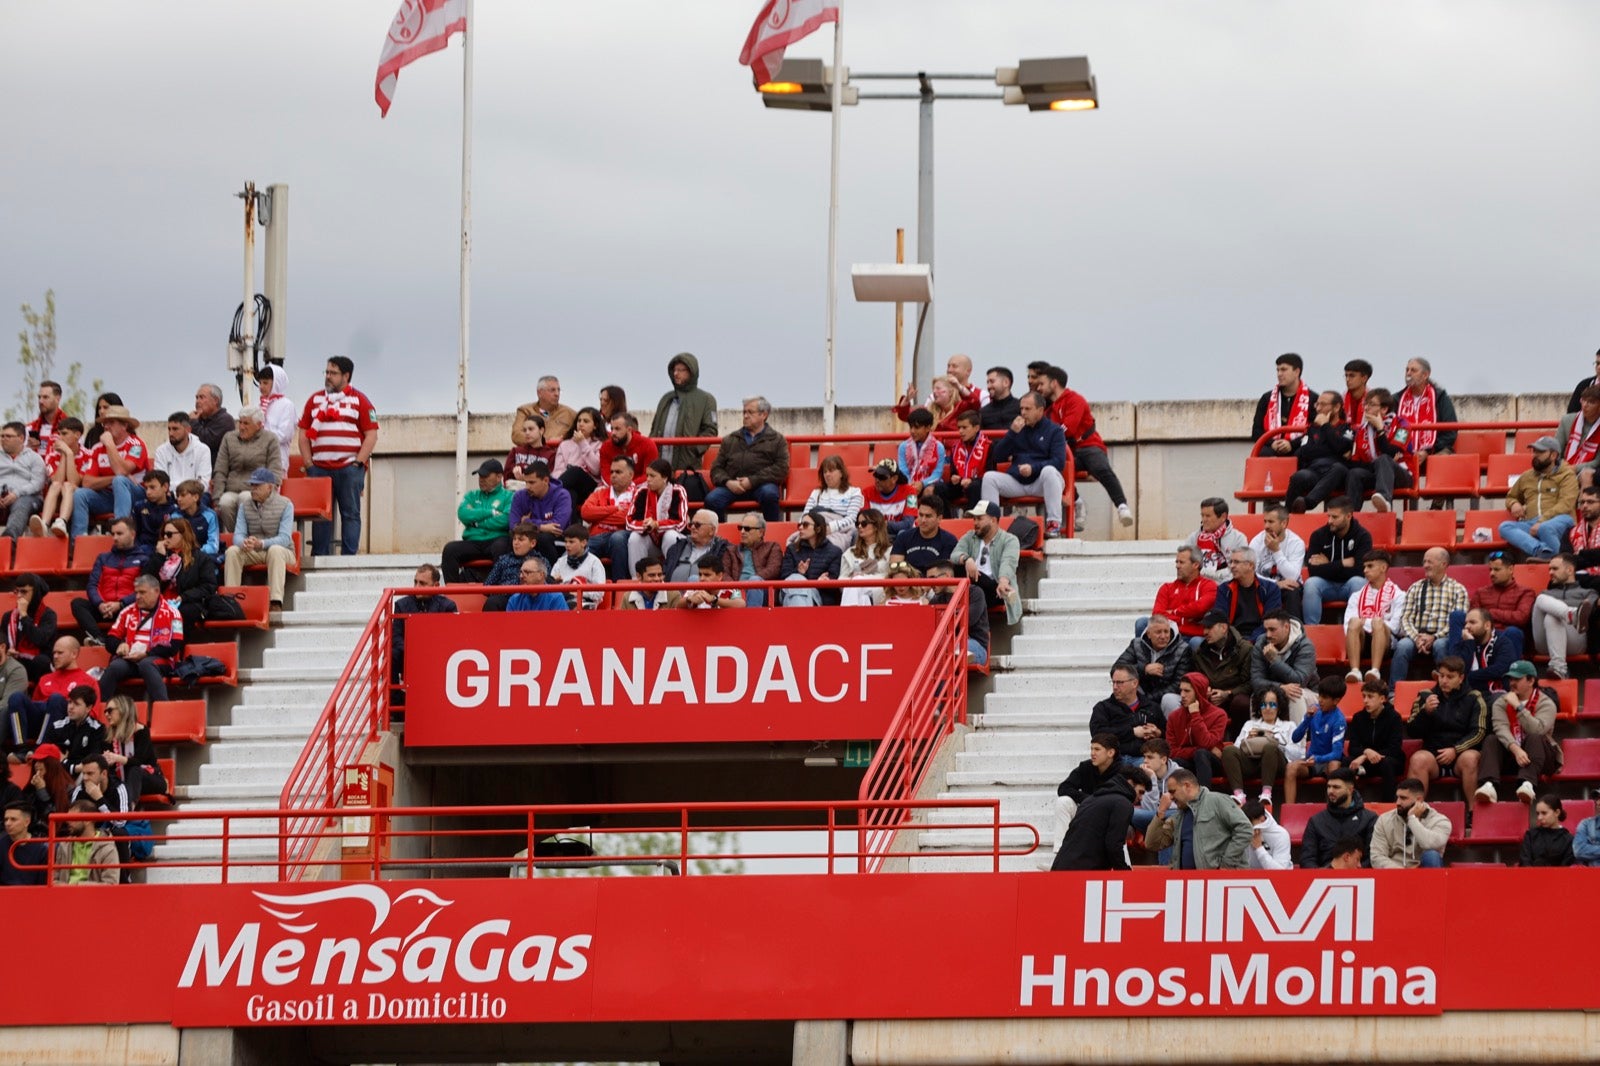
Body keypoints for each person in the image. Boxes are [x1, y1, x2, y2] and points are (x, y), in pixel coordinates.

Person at [298, 355, 379, 556]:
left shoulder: (360, 400)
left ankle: (349, 558)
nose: (328, 376)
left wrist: (357, 463)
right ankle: (320, 556)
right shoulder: (315, 400)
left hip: (349, 468)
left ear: (346, 376)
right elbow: (303, 434)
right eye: (326, 372)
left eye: (333, 373)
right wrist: (309, 464)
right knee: (320, 516)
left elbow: (371, 435)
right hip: (319, 468)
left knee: (350, 514)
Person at [1039, 366, 1134, 529]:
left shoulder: (1075, 399)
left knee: (1100, 467)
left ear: (1053, 383)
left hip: (1088, 446)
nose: (1039, 388)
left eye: (1042, 384)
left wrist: (1049, 438)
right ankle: (1077, 501)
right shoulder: (1049, 410)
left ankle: (1122, 506)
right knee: (1052, 471)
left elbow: (1068, 428)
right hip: (1069, 452)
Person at [981, 391, 1068, 538]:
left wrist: (1033, 468)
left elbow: (1059, 462)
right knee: (989, 477)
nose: (1023, 413)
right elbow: (997, 456)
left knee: (1049, 471)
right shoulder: (1017, 429)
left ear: (1040, 410)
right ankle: (991, 527)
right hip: (1018, 482)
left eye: (1028, 409)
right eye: (1021, 409)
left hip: (1042, 482)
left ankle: (1053, 525)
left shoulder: (1055, 431)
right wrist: (1012, 433)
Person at [1476, 659, 1561, 805]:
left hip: (1540, 757)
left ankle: (1527, 785)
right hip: (1513, 755)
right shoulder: (1501, 702)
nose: (1512, 683)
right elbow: (1500, 727)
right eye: (1511, 679)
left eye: (1517, 679)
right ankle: (1489, 786)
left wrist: (1518, 707)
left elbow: (1537, 729)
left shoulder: (1546, 703)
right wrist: (1516, 749)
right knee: (1491, 739)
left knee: (1535, 737)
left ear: (1531, 680)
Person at [1405, 656, 1488, 802]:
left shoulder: (1474, 698)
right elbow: (1411, 731)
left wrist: (1455, 750)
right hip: (1433, 754)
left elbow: (1479, 732)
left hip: (1461, 754)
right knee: (1418, 759)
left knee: (1471, 759)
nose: (1444, 681)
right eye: (1441, 676)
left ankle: (1473, 811)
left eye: (1450, 677)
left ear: (1461, 678)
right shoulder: (1425, 696)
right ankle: (1413, 810)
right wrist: (1425, 712)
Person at [1144, 768, 1254, 870]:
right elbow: (1152, 844)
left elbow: (1245, 829)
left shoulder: (1217, 800)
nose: (1170, 797)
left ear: (1187, 786)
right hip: (1187, 882)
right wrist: (1160, 812)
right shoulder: (1178, 816)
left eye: (1172, 791)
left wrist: (1226, 864)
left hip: (1219, 880)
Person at [1389, 546, 1469, 684]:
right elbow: (1405, 619)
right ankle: (1393, 690)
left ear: (1443, 564)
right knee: (1402, 646)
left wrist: (1435, 637)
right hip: (1417, 636)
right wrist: (1416, 638)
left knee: (1440, 645)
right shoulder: (1416, 587)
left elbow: (1457, 623)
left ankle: (1445, 687)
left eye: (1430, 562)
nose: (1425, 565)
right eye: (1424, 562)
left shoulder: (1458, 589)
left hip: (1442, 636)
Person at [5, 638, 96, 759]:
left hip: (64, 726)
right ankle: (20, 748)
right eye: (54, 653)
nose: (55, 656)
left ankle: (41, 748)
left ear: (74, 654)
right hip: (40, 723)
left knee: (56, 699)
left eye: (60, 653)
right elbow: (34, 707)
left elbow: (91, 714)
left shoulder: (87, 681)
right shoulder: (45, 679)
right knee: (16, 697)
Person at [100, 574, 183, 703]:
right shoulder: (127, 612)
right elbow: (110, 639)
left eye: (142, 592)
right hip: (131, 660)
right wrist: (119, 645)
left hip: (160, 660)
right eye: (136, 593)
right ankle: (99, 709)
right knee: (115, 667)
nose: (137, 596)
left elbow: (174, 646)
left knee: (146, 664)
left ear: (156, 591)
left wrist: (147, 654)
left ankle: (164, 708)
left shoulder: (173, 613)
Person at [70, 404, 150, 537]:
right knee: (80, 494)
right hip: (109, 496)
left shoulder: (136, 445)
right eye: (105, 423)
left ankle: (120, 531)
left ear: (124, 425)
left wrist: (110, 444)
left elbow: (121, 470)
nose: (106, 427)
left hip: (136, 496)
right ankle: (78, 540)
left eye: (111, 423)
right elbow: (87, 482)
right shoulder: (97, 448)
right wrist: (112, 479)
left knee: (120, 481)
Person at [223, 467, 297, 609]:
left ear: (270, 487)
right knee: (232, 551)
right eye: (252, 485)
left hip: (284, 552)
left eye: (257, 485)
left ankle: (275, 602)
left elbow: (285, 538)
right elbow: (238, 535)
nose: (253, 489)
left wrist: (261, 543)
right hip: (255, 551)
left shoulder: (286, 504)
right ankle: (230, 602)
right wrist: (244, 542)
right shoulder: (245, 506)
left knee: (275, 550)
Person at [1050, 764, 1147, 872]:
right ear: (1130, 783)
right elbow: (1114, 844)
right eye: (1140, 792)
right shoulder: (1123, 804)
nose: (1141, 798)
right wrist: (1124, 872)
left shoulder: (1091, 799)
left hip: (1061, 867)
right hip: (1083, 871)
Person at [705, 397, 788, 521]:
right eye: (744, 412)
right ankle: (719, 532)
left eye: (750, 412)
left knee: (769, 495)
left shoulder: (777, 440)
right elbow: (716, 469)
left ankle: (773, 531)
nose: (745, 416)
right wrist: (728, 482)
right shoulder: (730, 440)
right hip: (733, 486)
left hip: (762, 485)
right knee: (712, 500)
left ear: (764, 415)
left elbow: (781, 468)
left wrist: (751, 481)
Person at [71, 518, 145, 653]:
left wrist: (120, 604)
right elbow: (92, 585)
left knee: (141, 607)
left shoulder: (143, 559)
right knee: (77, 604)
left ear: (132, 534)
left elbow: (143, 590)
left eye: (119, 533)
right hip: (104, 608)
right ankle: (99, 638)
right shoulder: (103, 558)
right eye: (113, 534)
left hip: (127, 608)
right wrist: (100, 604)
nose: (115, 538)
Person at [1498, 436, 1578, 559]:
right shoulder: (1526, 476)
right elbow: (1511, 497)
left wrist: (1542, 521)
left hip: (1561, 519)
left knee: (1545, 528)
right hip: (1532, 522)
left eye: (1540, 452)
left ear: (1553, 455)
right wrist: (1514, 504)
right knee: (1505, 527)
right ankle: (1542, 551)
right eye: (1534, 451)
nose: (1535, 455)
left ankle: (1561, 559)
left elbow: (1566, 504)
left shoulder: (1567, 475)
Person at [440, 459, 514, 584]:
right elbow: (463, 514)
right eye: (480, 476)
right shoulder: (472, 495)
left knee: (502, 546)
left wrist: (476, 523)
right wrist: (490, 512)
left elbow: (505, 520)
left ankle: (498, 590)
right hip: (473, 542)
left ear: (499, 477)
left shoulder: (509, 496)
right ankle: (453, 591)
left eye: (485, 476)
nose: (481, 479)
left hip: (496, 540)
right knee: (450, 550)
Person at [1302, 497, 1372, 624]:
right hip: (1326, 584)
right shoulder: (1318, 535)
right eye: (1328, 516)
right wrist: (1342, 563)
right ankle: (1311, 630)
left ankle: (1355, 628)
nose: (1330, 521)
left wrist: (1327, 565)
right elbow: (1313, 570)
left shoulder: (1363, 536)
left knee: (1358, 582)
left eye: (1335, 517)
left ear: (1348, 516)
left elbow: (1360, 571)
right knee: (1311, 584)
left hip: (1349, 584)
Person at [1222, 686, 1297, 806]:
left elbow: (1296, 754)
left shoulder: (1289, 726)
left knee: (1270, 747)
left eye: (1272, 704)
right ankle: (1239, 795)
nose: (1267, 708)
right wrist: (1247, 739)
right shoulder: (1249, 724)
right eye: (1263, 705)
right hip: (1252, 763)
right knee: (1228, 750)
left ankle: (1266, 794)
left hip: (1276, 764)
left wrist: (1274, 739)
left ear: (1279, 707)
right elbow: (1236, 748)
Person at [211, 408, 282, 534]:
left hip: (256, 490)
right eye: (240, 422)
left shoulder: (270, 439)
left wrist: (270, 492)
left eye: (246, 423)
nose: (242, 427)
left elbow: (275, 470)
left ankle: (252, 535)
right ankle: (238, 535)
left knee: (245, 498)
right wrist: (217, 498)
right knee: (225, 503)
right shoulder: (229, 438)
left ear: (258, 425)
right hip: (232, 489)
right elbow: (220, 470)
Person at [1528, 552, 1598, 679]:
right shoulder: (1546, 593)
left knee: (1551, 616)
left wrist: (1556, 608)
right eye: (1549, 569)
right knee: (1541, 599)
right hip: (1545, 642)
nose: (1550, 572)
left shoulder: (1588, 593)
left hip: (1575, 641)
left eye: (1555, 569)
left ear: (1570, 570)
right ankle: (1572, 615)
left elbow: (1591, 610)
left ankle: (1559, 667)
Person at [144, 517, 218, 636]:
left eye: (169, 534)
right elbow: (145, 581)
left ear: (183, 535)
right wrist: (158, 557)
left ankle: (174, 644)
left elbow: (208, 586)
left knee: (182, 612)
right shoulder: (161, 555)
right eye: (163, 534)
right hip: (160, 601)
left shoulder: (201, 558)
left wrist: (184, 597)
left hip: (186, 602)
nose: (165, 538)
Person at [391, 564, 457, 697]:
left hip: (438, 656)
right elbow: (396, 637)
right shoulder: (401, 605)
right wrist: (412, 651)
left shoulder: (448, 606)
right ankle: (395, 700)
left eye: (422, 583)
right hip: (409, 654)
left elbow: (452, 640)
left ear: (436, 586)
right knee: (392, 654)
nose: (416, 587)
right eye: (415, 582)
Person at [1284, 391, 1355, 513]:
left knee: (1339, 468)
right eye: (1317, 404)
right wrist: (1333, 449)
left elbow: (1342, 447)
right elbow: (1305, 451)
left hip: (1336, 473)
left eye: (1323, 404)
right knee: (1299, 476)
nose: (1318, 408)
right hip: (1315, 470)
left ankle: (1307, 503)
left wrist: (1325, 426)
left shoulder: (1347, 428)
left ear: (1337, 407)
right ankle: (1287, 515)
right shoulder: (1313, 429)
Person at [951, 501, 1021, 624]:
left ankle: (958, 623)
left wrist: (1003, 581)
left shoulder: (1010, 540)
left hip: (996, 589)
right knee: (952, 568)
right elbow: (955, 555)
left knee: (964, 577)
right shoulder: (970, 536)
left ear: (993, 520)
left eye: (979, 519)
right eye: (974, 519)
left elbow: (1008, 562)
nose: (975, 523)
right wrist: (967, 559)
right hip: (973, 586)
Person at [1344, 388, 1413, 513]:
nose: (1366, 408)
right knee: (1355, 473)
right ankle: (1350, 516)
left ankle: (1384, 499)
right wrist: (1377, 464)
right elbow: (1355, 463)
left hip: (1401, 474)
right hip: (1376, 473)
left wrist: (1380, 430)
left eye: (1371, 404)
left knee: (1384, 459)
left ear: (1384, 409)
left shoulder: (1402, 425)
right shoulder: (1361, 430)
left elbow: (1392, 452)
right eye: (1365, 404)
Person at [649, 353, 718, 476]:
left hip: (687, 467)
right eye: (675, 370)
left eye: (681, 370)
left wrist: (694, 450)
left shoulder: (706, 399)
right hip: (660, 466)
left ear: (692, 372)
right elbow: (654, 429)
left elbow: (710, 430)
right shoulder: (666, 398)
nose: (676, 373)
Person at [1285, 676, 1349, 805]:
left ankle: (1332, 809)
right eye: (1320, 696)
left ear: (1336, 701)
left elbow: (1336, 753)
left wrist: (1318, 759)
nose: (1320, 700)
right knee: (1291, 767)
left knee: (1334, 765)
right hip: (1311, 762)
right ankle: (1289, 809)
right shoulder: (1314, 710)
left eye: (1324, 698)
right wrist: (1307, 719)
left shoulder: (1339, 720)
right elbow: (1295, 738)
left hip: (1327, 762)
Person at [1250, 609, 1319, 721]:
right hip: (1275, 690)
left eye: (1272, 630)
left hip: (1307, 692)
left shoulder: (1305, 646)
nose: (1268, 635)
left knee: (1295, 695)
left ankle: (1298, 733)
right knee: (1258, 695)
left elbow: (1299, 681)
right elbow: (1256, 681)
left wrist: (1275, 661)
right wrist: (1280, 688)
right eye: (1266, 630)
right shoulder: (1261, 644)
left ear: (1286, 627)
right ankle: (1258, 732)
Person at [1300, 768, 1377, 868]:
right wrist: (1323, 873)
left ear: (1350, 789)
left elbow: (1373, 857)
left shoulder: (1369, 819)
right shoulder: (1316, 821)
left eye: (1336, 787)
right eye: (1328, 787)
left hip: (1359, 875)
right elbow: (1307, 859)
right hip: (1323, 875)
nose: (1330, 791)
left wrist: (1356, 871)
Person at [625, 459, 691, 576]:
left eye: (652, 476)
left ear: (665, 477)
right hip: (651, 540)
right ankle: (637, 579)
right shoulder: (642, 491)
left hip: (672, 539)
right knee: (635, 537)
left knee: (670, 536)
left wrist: (657, 524)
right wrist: (645, 525)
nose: (648, 479)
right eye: (647, 475)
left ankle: (671, 577)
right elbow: (629, 521)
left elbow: (681, 522)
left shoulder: (678, 491)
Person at [1114, 614, 1192, 712]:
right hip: (1141, 694)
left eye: (1166, 631)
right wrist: (1144, 669)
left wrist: (1148, 699)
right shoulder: (1136, 644)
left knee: (1169, 699)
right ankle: (1128, 720)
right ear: (1148, 634)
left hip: (1164, 697)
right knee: (1127, 685)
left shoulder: (1182, 649)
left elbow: (1178, 684)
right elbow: (1117, 669)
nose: (1163, 636)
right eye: (1158, 632)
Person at [1368, 778, 1451, 869]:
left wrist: (1412, 819)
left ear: (1419, 800)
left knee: (1432, 856)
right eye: (1397, 797)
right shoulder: (1384, 820)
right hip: (1394, 871)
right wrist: (1403, 872)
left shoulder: (1440, 821)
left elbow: (1429, 844)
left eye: (1403, 798)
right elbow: (1377, 856)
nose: (1398, 802)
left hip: (1425, 871)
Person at [1052, 732, 1124, 836]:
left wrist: (1094, 802)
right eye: (1091, 749)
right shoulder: (1086, 767)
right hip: (1086, 811)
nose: (1092, 753)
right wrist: (1088, 799)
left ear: (1111, 753)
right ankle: (1060, 846)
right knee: (1063, 801)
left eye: (1097, 749)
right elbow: (1064, 788)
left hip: (1109, 817)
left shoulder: (1122, 772)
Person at [1446, 606, 1524, 701]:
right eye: (1466, 623)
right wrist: (1469, 643)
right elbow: (1457, 668)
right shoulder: (1465, 642)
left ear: (1487, 625)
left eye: (1472, 622)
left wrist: (1469, 676)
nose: (1467, 627)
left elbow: (1500, 669)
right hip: (1468, 693)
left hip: (1493, 693)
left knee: (1499, 699)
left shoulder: (1503, 642)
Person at [1346, 677, 1407, 799]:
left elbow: (1394, 749)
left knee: (1387, 764)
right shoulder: (1358, 718)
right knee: (1346, 762)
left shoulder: (1394, 717)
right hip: (1367, 762)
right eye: (1364, 696)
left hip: (1388, 760)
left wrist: (1366, 755)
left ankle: (1388, 804)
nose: (1365, 701)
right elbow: (1352, 747)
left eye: (1370, 697)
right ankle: (1351, 802)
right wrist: (1366, 752)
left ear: (1382, 699)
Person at [1090, 666, 1167, 764]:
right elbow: (1098, 734)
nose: (1115, 687)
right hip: (1115, 759)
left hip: (1144, 759)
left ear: (1134, 683)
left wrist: (1158, 733)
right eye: (1113, 682)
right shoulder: (1103, 708)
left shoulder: (1152, 707)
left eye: (1120, 682)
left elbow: (1168, 735)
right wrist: (1132, 732)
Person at [1165, 672, 1228, 790]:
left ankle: (1203, 797)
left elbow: (1206, 743)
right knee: (1174, 762)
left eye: (1187, 691)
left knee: (1201, 754)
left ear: (1198, 692)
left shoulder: (1219, 714)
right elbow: (1171, 751)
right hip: (1188, 762)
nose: (1182, 695)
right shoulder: (1174, 716)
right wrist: (1195, 750)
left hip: (1210, 763)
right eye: (1181, 690)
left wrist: (1195, 715)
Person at [1192, 613, 1254, 732]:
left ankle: (1239, 738)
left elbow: (1250, 683)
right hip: (1211, 698)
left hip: (1233, 698)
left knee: (1241, 703)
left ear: (1224, 628)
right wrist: (1204, 689)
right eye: (1204, 628)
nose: (1205, 632)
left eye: (1209, 627)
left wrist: (1228, 693)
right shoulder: (1200, 652)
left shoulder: (1245, 650)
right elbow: (1197, 677)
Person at [99, 693, 165, 802]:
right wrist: (106, 759)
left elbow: (139, 761)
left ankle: (129, 807)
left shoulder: (141, 731)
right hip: (124, 782)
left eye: (110, 710)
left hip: (150, 778)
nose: (106, 714)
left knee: (134, 771)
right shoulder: (108, 735)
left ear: (123, 710)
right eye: (105, 711)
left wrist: (117, 758)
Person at [581, 456, 638, 581]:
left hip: (622, 536)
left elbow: (628, 518)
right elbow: (585, 513)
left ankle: (620, 585)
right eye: (611, 472)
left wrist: (598, 517)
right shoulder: (600, 492)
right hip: (597, 537)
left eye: (618, 472)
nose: (613, 475)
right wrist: (614, 509)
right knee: (576, 546)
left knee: (617, 538)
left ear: (631, 475)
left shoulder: (638, 494)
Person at [925, 558, 989, 665]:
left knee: (946, 649)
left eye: (933, 578)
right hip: (948, 643)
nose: (930, 583)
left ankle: (956, 656)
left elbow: (967, 620)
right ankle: (955, 657)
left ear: (947, 576)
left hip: (975, 645)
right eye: (927, 580)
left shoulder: (974, 592)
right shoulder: (936, 600)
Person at [1395, 357, 1458, 465]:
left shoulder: (1440, 397)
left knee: (1444, 457)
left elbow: (1450, 432)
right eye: (1407, 370)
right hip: (1403, 453)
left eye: (1413, 370)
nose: (1408, 373)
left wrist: (1427, 451)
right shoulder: (1397, 399)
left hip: (1434, 451)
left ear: (1425, 375)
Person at [508, 460, 572, 565]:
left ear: (545, 480)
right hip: (529, 537)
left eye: (532, 482)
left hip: (558, 541)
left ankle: (551, 573)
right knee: (510, 540)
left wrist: (527, 521)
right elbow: (513, 526)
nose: (527, 487)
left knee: (543, 539)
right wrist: (541, 527)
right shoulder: (519, 496)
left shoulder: (562, 495)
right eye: (526, 482)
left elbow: (558, 527)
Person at [32, 415, 85, 538]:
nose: (60, 438)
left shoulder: (88, 455)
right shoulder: (51, 455)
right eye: (59, 434)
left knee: (68, 486)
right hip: (55, 499)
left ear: (77, 435)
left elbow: (74, 482)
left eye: (64, 434)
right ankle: (44, 524)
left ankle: (62, 522)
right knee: (56, 484)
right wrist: (64, 455)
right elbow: (56, 480)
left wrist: (69, 454)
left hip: (77, 500)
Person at [1251, 352, 1312, 457]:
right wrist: (1272, 443)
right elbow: (1256, 431)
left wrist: (1292, 444)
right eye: (1278, 370)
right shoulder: (1267, 398)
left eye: (1283, 370)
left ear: (1297, 372)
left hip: (1298, 448)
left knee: (1305, 454)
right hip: (1271, 449)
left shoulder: (1312, 399)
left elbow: (1314, 432)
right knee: (1263, 453)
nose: (1279, 374)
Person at [1212, 549, 1281, 641]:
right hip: (1232, 638)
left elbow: (1271, 620)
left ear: (1250, 565)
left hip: (1261, 637)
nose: (1232, 566)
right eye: (1231, 562)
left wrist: (1251, 640)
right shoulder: (1224, 589)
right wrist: (1236, 639)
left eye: (1236, 562)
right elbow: (1220, 619)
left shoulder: (1270, 589)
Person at [1151, 546, 1218, 640]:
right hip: (1169, 634)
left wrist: (1174, 612)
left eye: (1181, 562)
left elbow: (1200, 607)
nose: (1177, 566)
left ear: (1195, 565)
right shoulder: (1166, 588)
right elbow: (1157, 615)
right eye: (1176, 562)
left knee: (1196, 641)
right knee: (1142, 623)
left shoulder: (1208, 585)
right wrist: (1185, 621)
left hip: (1192, 637)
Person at [1251, 505, 1306, 617]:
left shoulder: (1296, 543)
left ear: (1284, 523)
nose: (1266, 526)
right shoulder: (1256, 541)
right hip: (1264, 585)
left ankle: (1294, 626)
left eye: (1271, 522)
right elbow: (1251, 574)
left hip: (1288, 587)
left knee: (1292, 590)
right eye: (1265, 521)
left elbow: (1293, 576)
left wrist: (1276, 551)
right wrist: (1276, 584)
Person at [779, 511, 843, 607]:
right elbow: (784, 577)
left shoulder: (834, 552)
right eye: (800, 525)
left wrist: (824, 581)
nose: (800, 528)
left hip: (818, 596)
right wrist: (799, 572)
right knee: (796, 579)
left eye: (805, 525)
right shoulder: (792, 549)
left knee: (798, 587)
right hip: (790, 592)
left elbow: (834, 582)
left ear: (818, 529)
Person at [2, 573, 57, 683]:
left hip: (37, 663)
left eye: (24, 592)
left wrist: (24, 616)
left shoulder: (48, 615)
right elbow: (2, 640)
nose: (19, 596)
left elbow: (39, 640)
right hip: (14, 661)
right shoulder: (9, 616)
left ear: (35, 592)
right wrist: (7, 650)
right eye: (17, 591)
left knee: (42, 661)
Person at [36, 685, 104, 774]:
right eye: (69, 702)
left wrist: (65, 762)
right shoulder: (57, 726)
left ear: (88, 708)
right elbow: (42, 754)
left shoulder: (97, 729)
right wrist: (75, 766)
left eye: (76, 704)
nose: (71, 707)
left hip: (83, 777)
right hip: (55, 775)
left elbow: (93, 764)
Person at [52, 797, 120, 885]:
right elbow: (53, 880)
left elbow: (111, 884)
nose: (67, 821)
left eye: (72, 818)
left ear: (87, 820)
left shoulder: (107, 849)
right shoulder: (64, 845)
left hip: (91, 894)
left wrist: (77, 886)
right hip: (65, 893)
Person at [803, 456, 864, 550]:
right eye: (825, 472)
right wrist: (815, 529)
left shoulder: (854, 492)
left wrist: (830, 528)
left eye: (831, 471)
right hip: (815, 531)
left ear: (841, 473)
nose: (827, 474)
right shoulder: (816, 493)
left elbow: (852, 520)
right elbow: (804, 517)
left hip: (840, 533)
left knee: (832, 545)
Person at [1184, 498, 1249, 583]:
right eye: (1202, 515)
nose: (1204, 520)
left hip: (1228, 585)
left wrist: (1215, 577)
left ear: (1223, 517)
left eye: (1208, 516)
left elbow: (1241, 568)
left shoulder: (1238, 538)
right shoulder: (1193, 538)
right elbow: (1185, 566)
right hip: (1199, 585)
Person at [0, 421, 47, 539]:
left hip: (28, 498)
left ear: (21, 438)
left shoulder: (34, 458)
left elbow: (38, 483)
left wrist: (16, 493)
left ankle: (9, 538)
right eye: (2, 436)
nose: (3, 439)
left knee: (21, 504)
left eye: (8, 436)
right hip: (2, 496)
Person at [662, 509, 735, 583]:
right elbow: (664, 572)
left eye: (697, 525)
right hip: (672, 590)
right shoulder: (677, 547)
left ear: (712, 530)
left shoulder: (723, 550)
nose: (693, 527)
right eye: (691, 524)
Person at [481, 523, 542, 611]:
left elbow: (545, 584)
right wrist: (504, 590)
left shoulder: (541, 562)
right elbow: (487, 587)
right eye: (514, 539)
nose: (516, 543)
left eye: (521, 539)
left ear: (532, 543)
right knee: (492, 602)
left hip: (531, 600)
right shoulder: (504, 560)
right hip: (505, 598)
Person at [1471, 551, 1535, 633]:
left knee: (1513, 631)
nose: (1492, 573)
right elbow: (1473, 617)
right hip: (1484, 635)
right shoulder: (1480, 592)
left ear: (1510, 569)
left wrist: (1491, 613)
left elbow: (1521, 617)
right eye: (1490, 569)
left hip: (1509, 635)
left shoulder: (1525, 592)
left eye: (1497, 569)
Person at [897, 408, 948, 511]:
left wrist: (922, 483)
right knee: (909, 491)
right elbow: (903, 470)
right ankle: (911, 517)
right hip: (909, 483)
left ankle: (928, 516)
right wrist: (911, 484)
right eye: (911, 427)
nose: (912, 431)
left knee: (929, 491)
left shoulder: (938, 447)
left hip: (930, 483)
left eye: (916, 427)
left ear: (928, 428)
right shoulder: (903, 447)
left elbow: (937, 473)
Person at [840, 510, 893, 607]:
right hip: (858, 593)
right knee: (863, 598)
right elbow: (841, 581)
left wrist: (862, 577)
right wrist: (852, 577)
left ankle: (847, 615)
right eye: (857, 524)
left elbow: (892, 576)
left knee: (856, 581)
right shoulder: (850, 552)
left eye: (864, 524)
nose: (859, 526)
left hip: (881, 591)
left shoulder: (890, 551)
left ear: (876, 526)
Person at [890, 500, 958, 575]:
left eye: (928, 516)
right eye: (921, 515)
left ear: (939, 518)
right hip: (908, 580)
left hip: (934, 580)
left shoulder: (949, 540)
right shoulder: (903, 537)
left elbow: (944, 572)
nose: (923, 520)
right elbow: (895, 567)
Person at [551, 406, 604, 502]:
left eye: (586, 421)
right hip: (568, 485)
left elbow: (596, 470)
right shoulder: (565, 444)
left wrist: (582, 443)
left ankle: (550, 494)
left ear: (595, 425)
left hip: (589, 486)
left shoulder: (600, 444)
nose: (581, 424)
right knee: (569, 493)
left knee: (575, 471)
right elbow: (558, 470)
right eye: (579, 421)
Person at [152, 412, 213, 495]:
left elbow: (203, 483)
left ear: (188, 430)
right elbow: (160, 483)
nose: (171, 433)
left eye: (175, 429)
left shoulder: (203, 450)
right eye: (169, 429)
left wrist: (184, 494)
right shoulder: (161, 451)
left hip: (195, 496)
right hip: (170, 495)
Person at [944, 409, 991, 514]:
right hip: (960, 485)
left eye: (964, 427)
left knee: (974, 487)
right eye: (959, 428)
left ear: (976, 428)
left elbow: (990, 475)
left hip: (979, 484)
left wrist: (972, 480)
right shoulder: (955, 447)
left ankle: (971, 518)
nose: (960, 431)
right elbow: (953, 473)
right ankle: (945, 520)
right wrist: (954, 478)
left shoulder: (988, 446)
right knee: (939, 488)